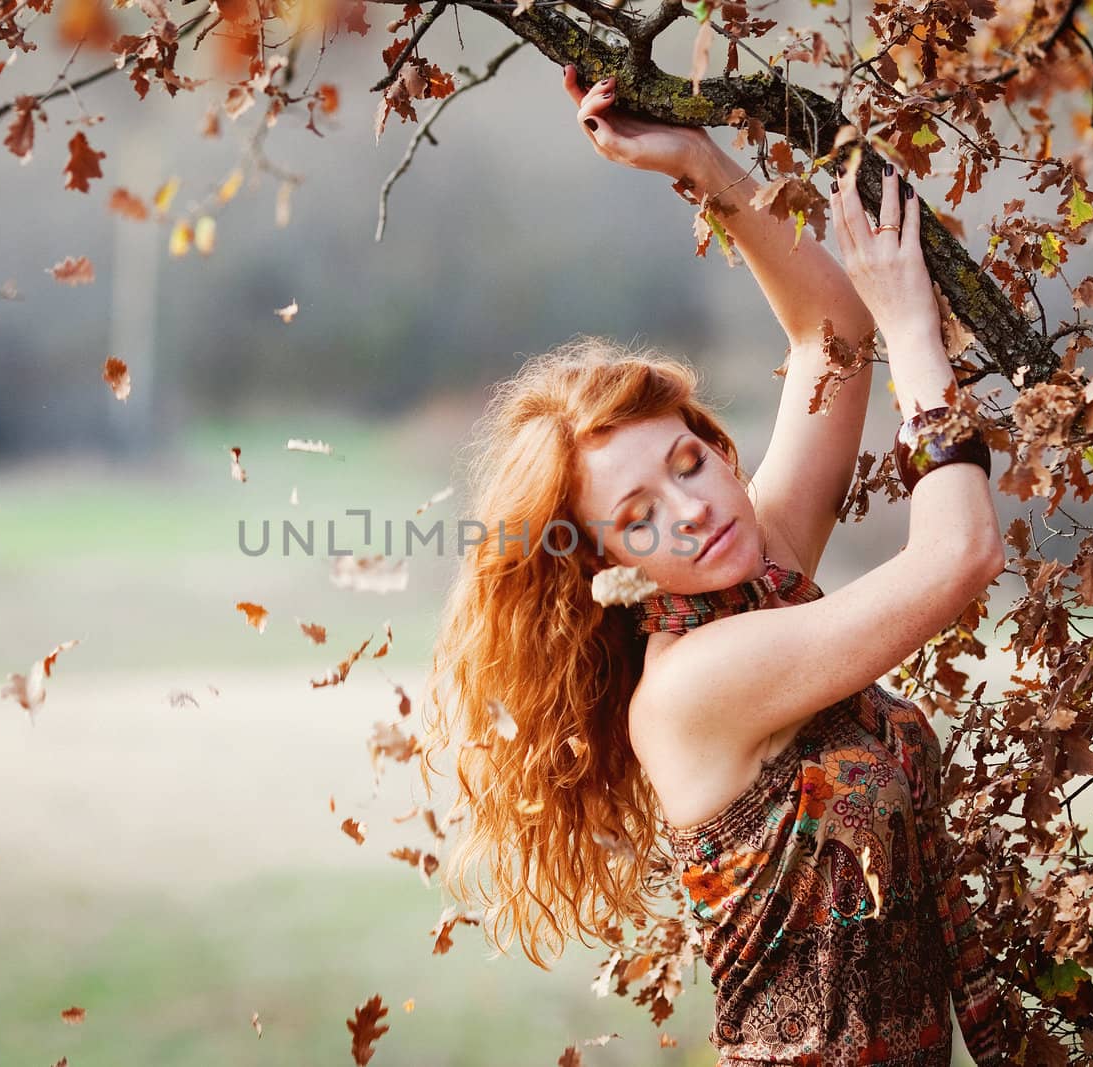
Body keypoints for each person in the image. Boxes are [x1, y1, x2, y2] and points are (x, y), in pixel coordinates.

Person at [417, 66, 1020, 1065]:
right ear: (605, 560)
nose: (691, 512)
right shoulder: (694, 683)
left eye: (688, 461)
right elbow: (958, 553)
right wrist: (918, 334)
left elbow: (829, 343)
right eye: (638, 514)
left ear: (721, 447)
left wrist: (700, 164)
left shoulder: (757, 576)